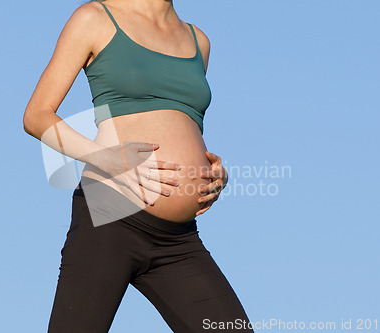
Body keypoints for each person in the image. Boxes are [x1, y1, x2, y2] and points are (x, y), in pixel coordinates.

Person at [23, 0, 255, 331]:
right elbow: (36, 116)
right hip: (110, 215)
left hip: (178, 240)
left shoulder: (197, 41)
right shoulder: (95, 18)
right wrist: (103, 157)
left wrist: (213, 174)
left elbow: (178, 124)